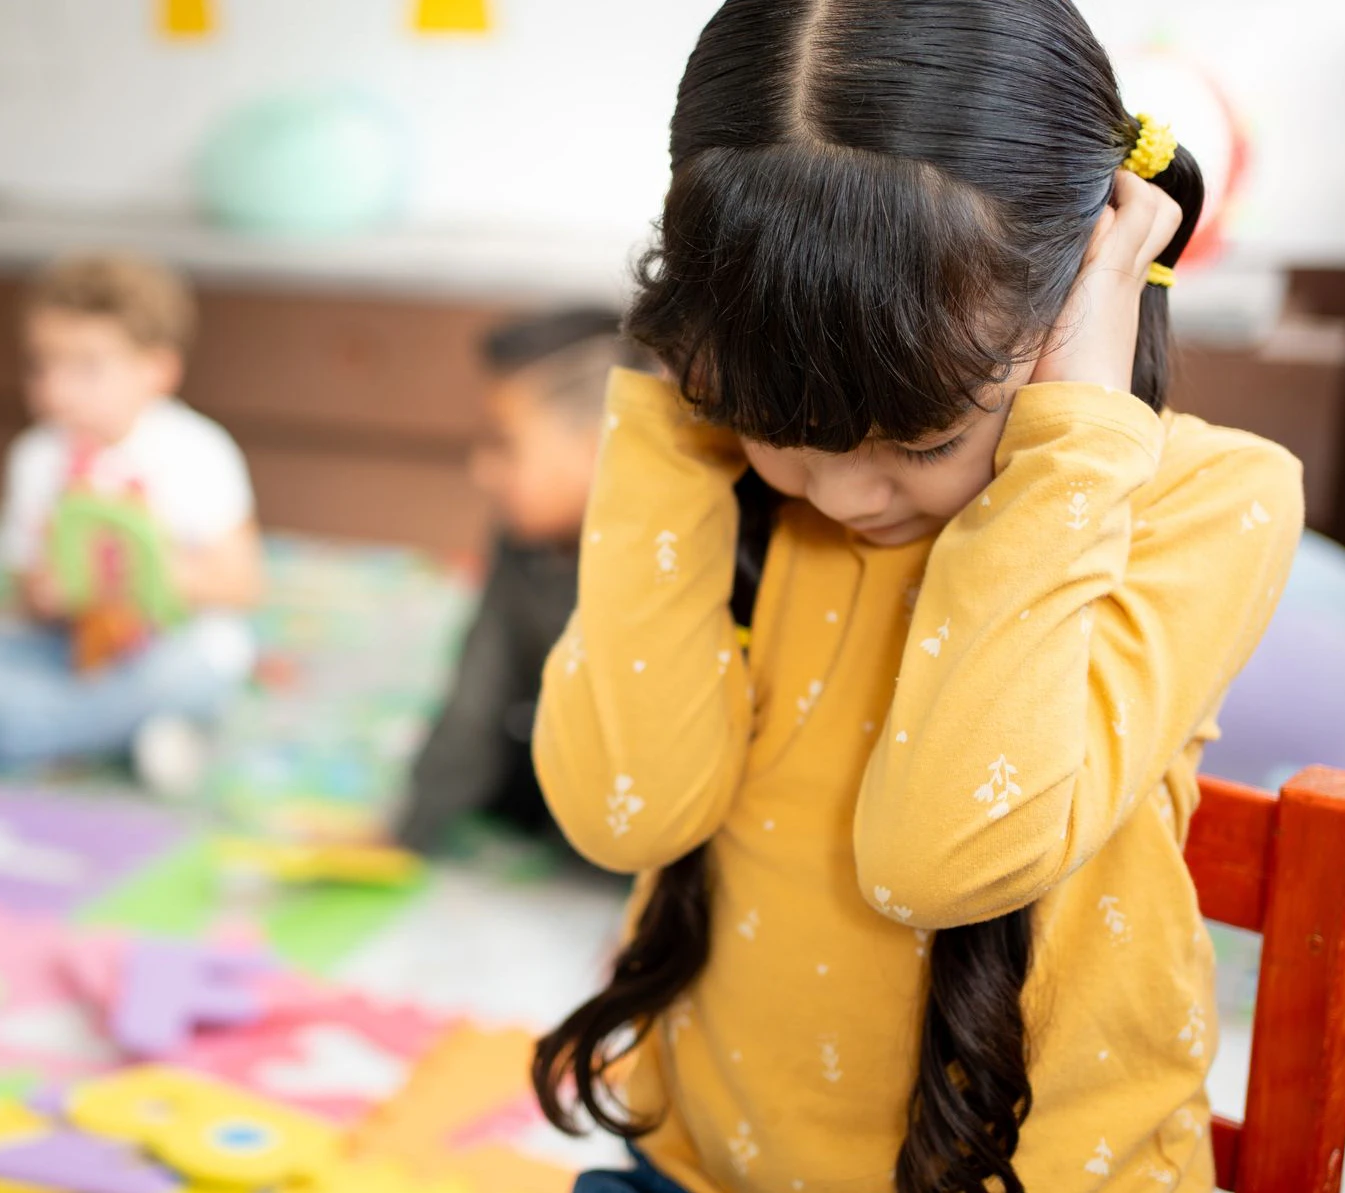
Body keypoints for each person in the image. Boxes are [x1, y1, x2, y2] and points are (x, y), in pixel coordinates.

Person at [530, 3, 1301, 1192]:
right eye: (786, 427)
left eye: (925, 436)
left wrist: (1069, 445)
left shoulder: (1208, 498)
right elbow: (627, 812)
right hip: (694, 1160)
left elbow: (939, 860)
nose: (841, 491)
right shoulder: (723, 456)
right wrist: (680, 407)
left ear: (1079, 292)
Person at [0, 254, 263, 793]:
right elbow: (27, 593)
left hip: (167, 643)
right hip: (71, 648)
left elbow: (241, 586)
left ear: (157, 369)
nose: (57, 390)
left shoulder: (197, 451)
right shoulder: (36, 458)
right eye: (42, 365)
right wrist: (48, 595)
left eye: (87, 367)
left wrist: (149, 575)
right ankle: (132, 734)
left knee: (205, 668)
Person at [395, 308, 644, 854]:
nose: (482, 469)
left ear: (600, 445)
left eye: (505, 444)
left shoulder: (668, 560)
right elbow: (478, 693)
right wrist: (405, 831)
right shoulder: (522, 541)